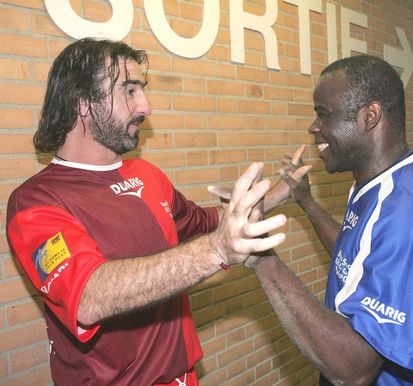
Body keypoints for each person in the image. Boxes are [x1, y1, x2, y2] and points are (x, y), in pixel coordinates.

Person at [5, 38, 292, 385]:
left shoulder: (146, 175)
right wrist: (216, 250)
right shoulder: (37, 201)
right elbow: (87, 297)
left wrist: (279, 193)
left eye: (141, 90)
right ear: (82, 103)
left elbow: (205, 223)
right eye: (129, 91)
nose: (145, 106)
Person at [246, 55, 413, 385]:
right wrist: (306, 202)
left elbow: (356, 368)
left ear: (370, 116)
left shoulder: (407, 217)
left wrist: (261, 257)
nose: (313, 126)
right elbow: (357, 257)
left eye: (323, 113)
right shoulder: (376, 183)